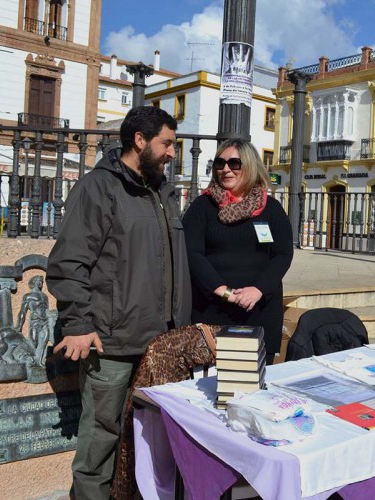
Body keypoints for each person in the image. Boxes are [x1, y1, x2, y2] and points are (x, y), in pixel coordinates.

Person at [46, 106, 192, 499]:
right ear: (140, 141)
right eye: (167, 143)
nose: (172, 153)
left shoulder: (163, 191)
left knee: (152, 442)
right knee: (101, 440)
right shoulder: (98, 187)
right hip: (111, 343)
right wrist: (77, 323)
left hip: (160, 343)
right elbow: (68, 261)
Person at [183, 139, 292, 365]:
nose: (225, 169)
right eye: (220, 163)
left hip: (260, 311)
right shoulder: (202, 207)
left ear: (250, 166)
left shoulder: (271, 208)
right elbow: (193, 253)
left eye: (234, 163)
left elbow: (283, 254)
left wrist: (258, 289)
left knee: (253, 383)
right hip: (213, 311)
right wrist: (225, 292)